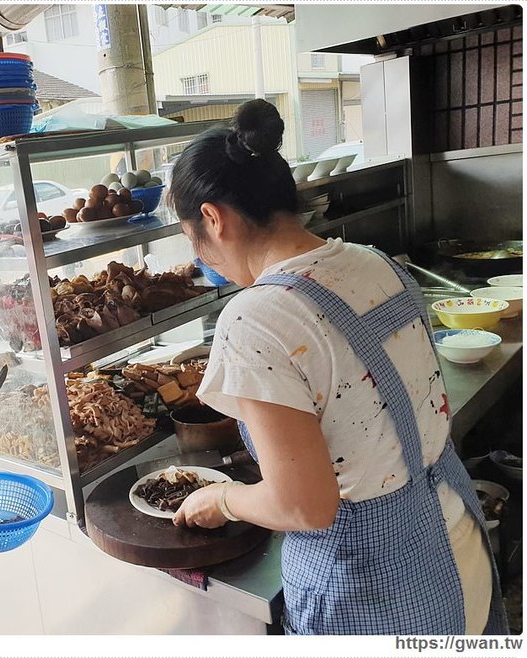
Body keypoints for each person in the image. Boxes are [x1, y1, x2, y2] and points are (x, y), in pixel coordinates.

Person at [167, 100, 507, 635]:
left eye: (195, 242)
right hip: (454, 549)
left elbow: (304, 506)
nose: (203, 259)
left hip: (376, 594)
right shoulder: (375, 261)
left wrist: (223, 499)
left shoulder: (255, 317)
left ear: (213, 218)